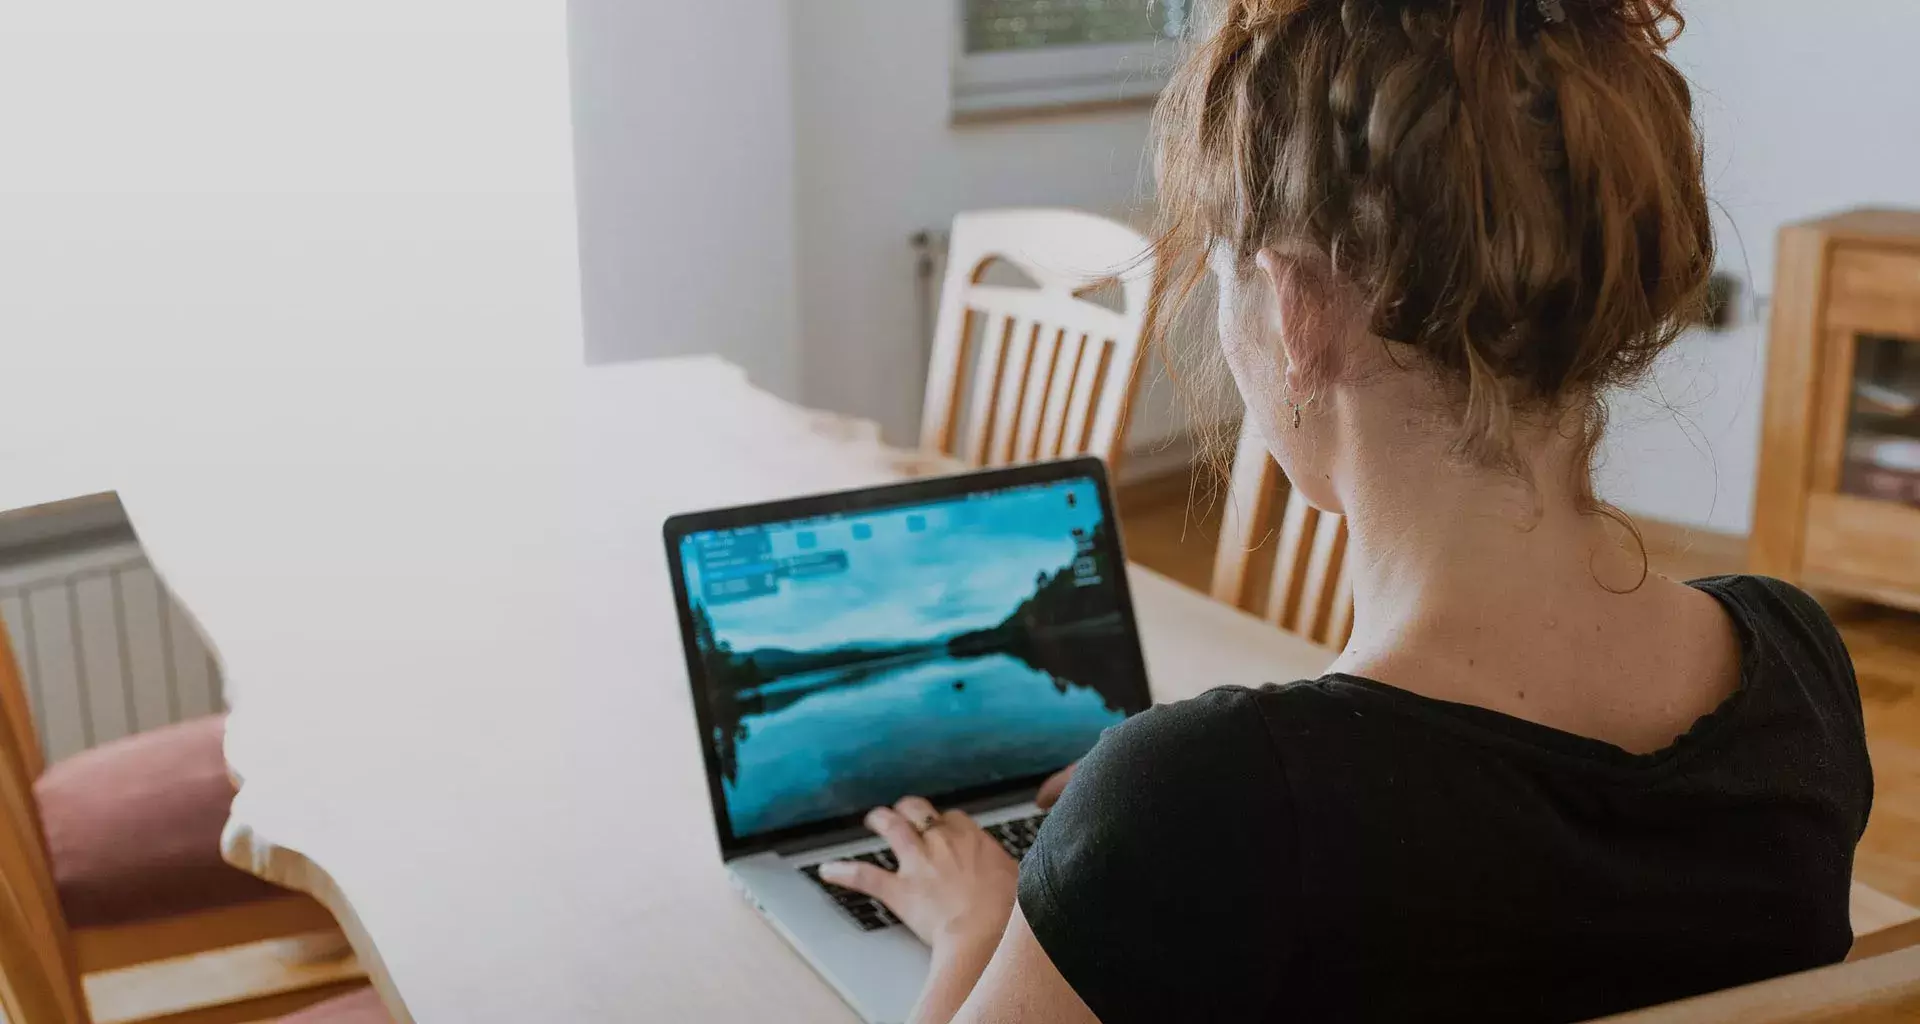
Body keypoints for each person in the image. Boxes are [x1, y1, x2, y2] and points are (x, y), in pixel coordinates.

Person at [815, 0, 1871, 1020]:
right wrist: (1141, 829)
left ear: (1296, 309)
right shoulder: (1802, 669)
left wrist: (980, 925)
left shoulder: (1211, 805)